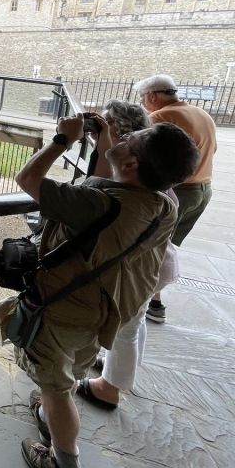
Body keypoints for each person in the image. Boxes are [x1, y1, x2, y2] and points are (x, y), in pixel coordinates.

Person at [0, 114, 198, 468]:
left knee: (57, 390)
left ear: (133, 161)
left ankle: (62, 458)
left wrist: (62, 141)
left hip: (63, 311)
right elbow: (115, 188)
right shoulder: (164, 204)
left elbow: (28, 179)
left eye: (131, 138)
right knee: (71, 372)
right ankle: (50, 407)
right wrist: (105, 143)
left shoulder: (94, 204)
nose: (123, 137)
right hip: (103, 308)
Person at [80, 101, 180, 409]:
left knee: (127, 328)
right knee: (133, 325)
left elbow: (93, 190)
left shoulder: (130, 168)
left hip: (144, 264)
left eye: (106, 122)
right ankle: (119, 371)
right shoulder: (152, 165)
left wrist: (101, 145)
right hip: (155, 259)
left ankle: (109, 389)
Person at [135, 74, 217, 323]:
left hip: (179, 192)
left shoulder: (160, 117)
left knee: (154, 247)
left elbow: (134, 150)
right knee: (164, 246)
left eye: (142, 98)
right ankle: (153, 301)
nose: (143, 103)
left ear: (152, 96)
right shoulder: (201, 113)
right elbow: (212, 150)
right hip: (203, 191)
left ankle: (148, 303)